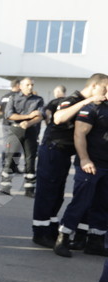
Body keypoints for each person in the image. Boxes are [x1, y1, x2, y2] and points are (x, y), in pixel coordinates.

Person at [32, 75, 108, 247]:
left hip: (65, 153)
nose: (105, 93)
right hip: (53, 149)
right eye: (104, 88)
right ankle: (40, 233)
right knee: (47, 192)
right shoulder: (72, 99)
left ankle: (50, 230)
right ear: (94, 86)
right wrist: (85, 102)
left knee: (57, 194)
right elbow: (59, 118)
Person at [53, 97, 108, 258]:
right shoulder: (93, 108)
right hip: (91, 164)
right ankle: (62, 239)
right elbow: (79, 134)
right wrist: (84, 159)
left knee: (102, 205)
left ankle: (95, 242)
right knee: (81, 203)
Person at [0, 78, 44, 196]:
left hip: (31, 131)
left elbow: (40, 116)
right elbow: (9, 115)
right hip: (15, 130)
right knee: (11, 158)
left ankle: (29, 189)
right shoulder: (13, 98)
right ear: (21, 86)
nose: (30, 87)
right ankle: (5, 187)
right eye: (28, 85)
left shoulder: (38, 99)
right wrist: (29, 116)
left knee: (30, 160)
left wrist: (28, 123)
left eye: (32, 85)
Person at [0, 78, 21, 177]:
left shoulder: (4, 96)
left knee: (6, 145)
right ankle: (14, 167)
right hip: (15, 124)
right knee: (17, 146)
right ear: (18, 85)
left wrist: (6, 114)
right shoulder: (18, 97)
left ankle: (4, 165)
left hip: (5, 123)